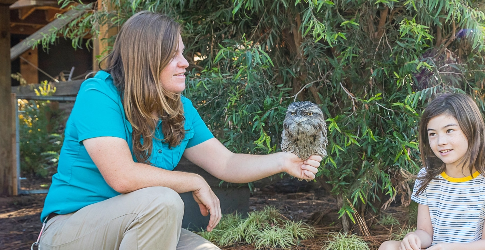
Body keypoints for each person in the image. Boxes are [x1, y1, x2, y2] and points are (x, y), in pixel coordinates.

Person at [35, 11, 322, 250]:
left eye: (182, 53)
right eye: (174, 56)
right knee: (163, 200)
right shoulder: (99, 95)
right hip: (71, 231)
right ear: (146, 59)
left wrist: (284, 160)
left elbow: (226, 162)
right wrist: (195, 180)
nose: (185, 63)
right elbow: (122, 177)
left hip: (140, 227)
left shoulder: (178, 108)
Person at [379, 93, 485, 250]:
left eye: (449, 130)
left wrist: (448, 248)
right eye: (432, 134)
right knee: (388, 247)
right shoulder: (427, 177)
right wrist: (414, 238)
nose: (441, 142)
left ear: (471, 129)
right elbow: (425, 233)